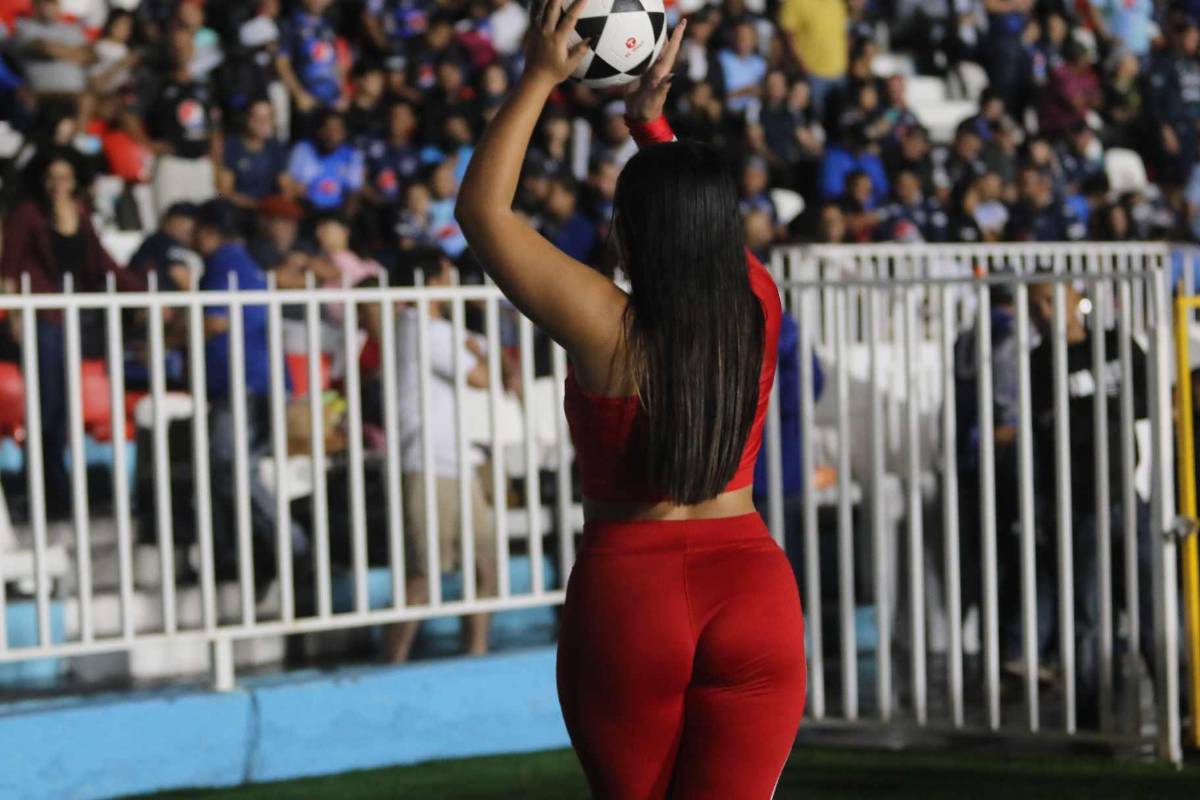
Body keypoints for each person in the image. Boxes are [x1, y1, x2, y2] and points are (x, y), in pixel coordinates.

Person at [455, 9, 805, 798]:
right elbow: (696, 216)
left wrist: (539, 78)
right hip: (753, 590)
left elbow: (483, 213)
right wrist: (654, 128)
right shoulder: (757, 302)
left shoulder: (601, 322)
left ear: (628, 228)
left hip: (630, 598)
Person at [0, 150, 146, 516]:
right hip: (41, 319)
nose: (58, 184)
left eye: (65, 176)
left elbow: (101, 263)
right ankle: (49, 489)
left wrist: (144, 293)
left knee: (62, 407)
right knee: (47, 406)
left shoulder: (80, 214)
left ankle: (58, 485)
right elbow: (10, 268)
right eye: (52, 176)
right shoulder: (28, 214)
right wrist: (16, 314)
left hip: (71, 320)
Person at [384, 255, 500, 663]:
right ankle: (395, 659)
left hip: (452, 458)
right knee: (426, 571)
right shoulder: (426, 330)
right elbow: (482, 378)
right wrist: (477, 351)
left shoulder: (412, 328)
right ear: (431, 282)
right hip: (431, 459)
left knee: (481, 563)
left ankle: (475, 653)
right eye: (448, 277)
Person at [195, 198, 306, 586]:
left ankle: (291, 546)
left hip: (242, 383)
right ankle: (257, 553)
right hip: (267, 381)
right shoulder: (247, 262)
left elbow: (214, 322)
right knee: (234, 470)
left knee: (230, 469)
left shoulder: (222, 261)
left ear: (206, 232)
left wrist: (168, 335)